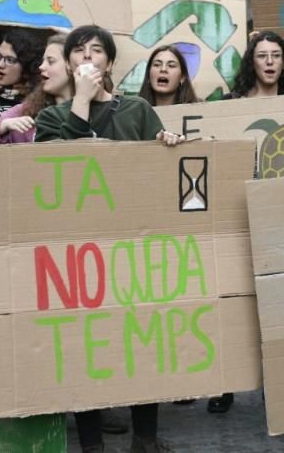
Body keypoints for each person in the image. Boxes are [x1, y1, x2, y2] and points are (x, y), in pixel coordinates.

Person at [35, 25, 184, 453]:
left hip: (133, 248)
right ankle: (92, 446)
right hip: (77, 255)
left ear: (110, 64)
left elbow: (159, 171)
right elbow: (63, 173)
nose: (86, 58)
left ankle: (145, 439)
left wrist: (167, 144)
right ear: (67, 64)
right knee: (85, 352)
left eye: (96, 51)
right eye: (77, 51)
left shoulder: (135, 110)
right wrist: (79, 102)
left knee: (144, 343)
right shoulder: (51, 120)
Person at [0, 35, 72, 145]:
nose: (41, 67)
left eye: (51, 61)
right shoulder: (29, 109)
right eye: (43, 61)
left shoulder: (86, 110)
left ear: (71, 66)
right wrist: (2, 125)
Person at [229, 31, 284, 98]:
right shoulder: (230, 101)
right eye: (262, 56)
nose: (270, 61)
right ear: (252, 62)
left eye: (276, 55)